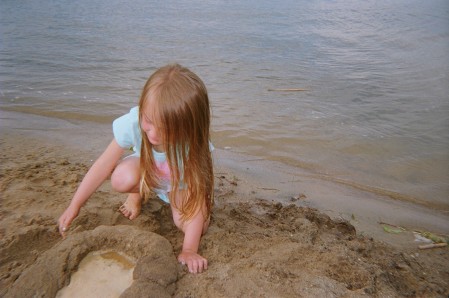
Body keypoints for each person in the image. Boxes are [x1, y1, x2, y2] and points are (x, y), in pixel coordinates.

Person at [58, 64, 214, 274]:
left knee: (197, 226)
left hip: (180, 185)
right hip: (148, 172)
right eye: (148, 120)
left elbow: (197, 196)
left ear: (188, 127)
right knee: (120, 178)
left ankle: (171, 201)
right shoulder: (134, 122)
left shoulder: (194, 143)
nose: (154, 135)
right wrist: (75, 205)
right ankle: (136, 195)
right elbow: (103, 165)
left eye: (166, 129)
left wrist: (189, 250)